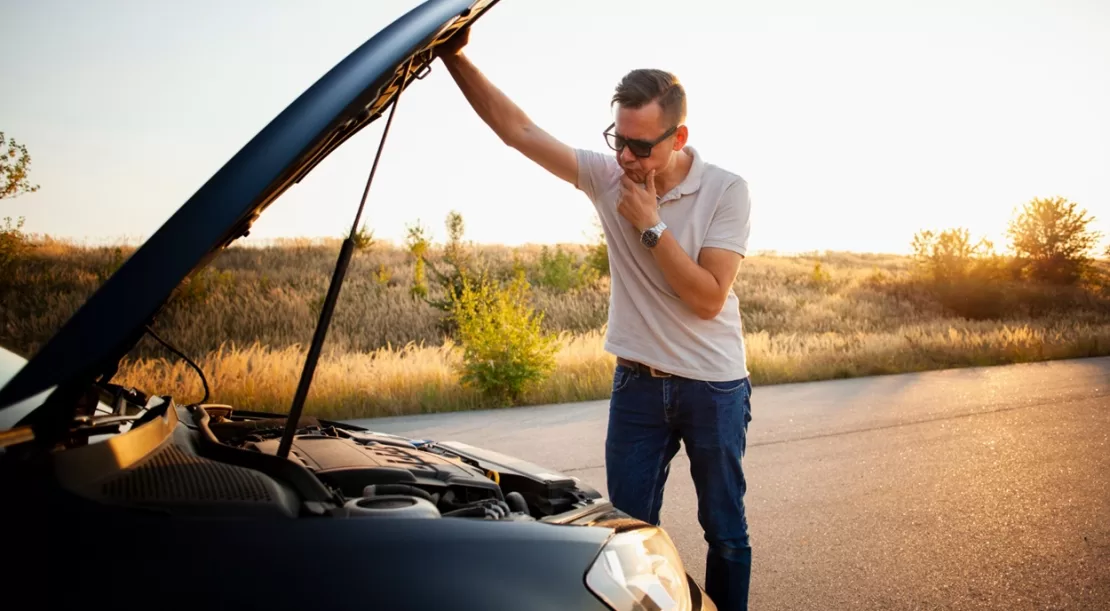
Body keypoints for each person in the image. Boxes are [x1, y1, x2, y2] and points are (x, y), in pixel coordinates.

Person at [435, 27, 755, 611]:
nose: (626, 159)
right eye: (618, 141)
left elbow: (708, 298)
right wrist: (452, 55)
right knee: (622, 538)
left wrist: (650, 225)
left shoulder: (727, 190)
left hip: (714, 385)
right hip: (636, 384)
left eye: (641, 147)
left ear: (678, 136)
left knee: (725, 533)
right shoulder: (609, 176)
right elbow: (519, 131)